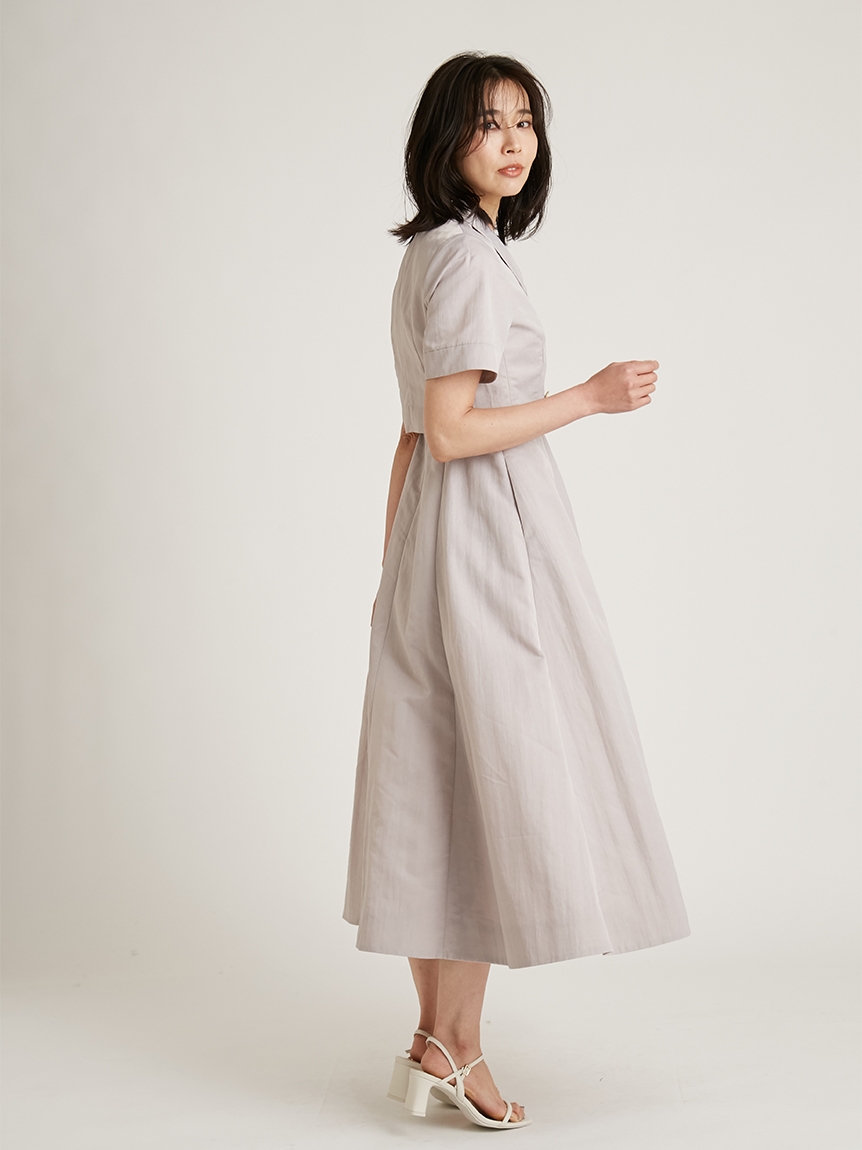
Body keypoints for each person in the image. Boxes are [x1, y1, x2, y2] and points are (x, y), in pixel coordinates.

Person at [342, 51, 691, 1131]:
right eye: (488, 122)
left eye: (525, 122)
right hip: (488, 539)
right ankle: (456, 1044)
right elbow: (451, 431)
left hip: (437, 538)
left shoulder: (434, 252)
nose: (512, 141)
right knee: (493, 778)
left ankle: (434, 1040)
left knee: (436, 780)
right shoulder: (468, 262)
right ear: (444, 138)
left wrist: (394, 570)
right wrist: (588, 395)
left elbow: (411, 438)